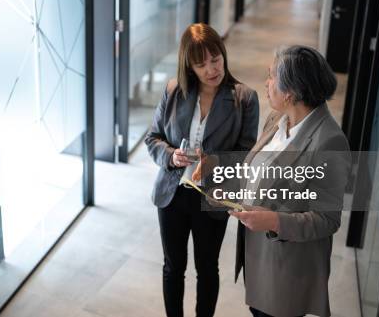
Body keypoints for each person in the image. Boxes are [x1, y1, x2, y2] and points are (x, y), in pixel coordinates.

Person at [145, 23, 259, 317]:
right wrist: (171, 155)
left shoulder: (243, 98)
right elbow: (152, 138)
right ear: (190, 67)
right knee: (173, 267)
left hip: (212, 197)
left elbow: (248, 155)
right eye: (201, 64)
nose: (211, 69)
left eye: (216, 59)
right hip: (172, 194)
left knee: (207, 268)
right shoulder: (174, 91)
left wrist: (216, 162)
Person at [228, 45, 351, 317]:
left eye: (272, 77)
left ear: (291, 93)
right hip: (259, 257)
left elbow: (327, 219)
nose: (266, 83)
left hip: (286, 271)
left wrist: (272, 221)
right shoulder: (276, 119)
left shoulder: (330, 142)